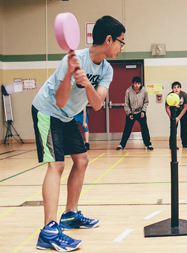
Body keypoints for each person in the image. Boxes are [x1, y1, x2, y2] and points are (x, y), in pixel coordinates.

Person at [31, 16, 125, 252]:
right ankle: (48, 231)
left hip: (67, 115)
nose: (122, 47)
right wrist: (68, 76)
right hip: (47, 111)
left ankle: (70, 215)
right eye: (121, 42)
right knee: (56, 165)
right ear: (108, 39)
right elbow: (60, 100)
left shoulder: (106, 69)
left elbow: (95, 104)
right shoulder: (72, 60)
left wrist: (86, 83)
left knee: (82, 161)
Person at [116, 76, 153, 150]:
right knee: (127, 129)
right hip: (131, 113)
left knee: (144, 128)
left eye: (138, 84)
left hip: (140, 112)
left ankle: (148, 144)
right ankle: (122, 145)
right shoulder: (128, 91)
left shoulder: (144, 91)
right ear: (133, 83)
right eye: (135, 83)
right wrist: (129, 113)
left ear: (140, 84)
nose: (137, 85)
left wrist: (143, 111)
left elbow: (146, 102)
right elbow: (126, 104)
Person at [165, 81, 187, 149]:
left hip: (184, 112)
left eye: (178, 87)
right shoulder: (169, 96)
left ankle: (185, 143)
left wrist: (178, 118)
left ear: (180, 88)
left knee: (184, 128)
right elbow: (167, 108)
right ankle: (172, 145)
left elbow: (185, 107)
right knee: (173, 128)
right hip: (173, 112)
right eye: (174, 88)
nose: (176, 89)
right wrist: (172, 118)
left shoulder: (184, 95)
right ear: (172, 89)